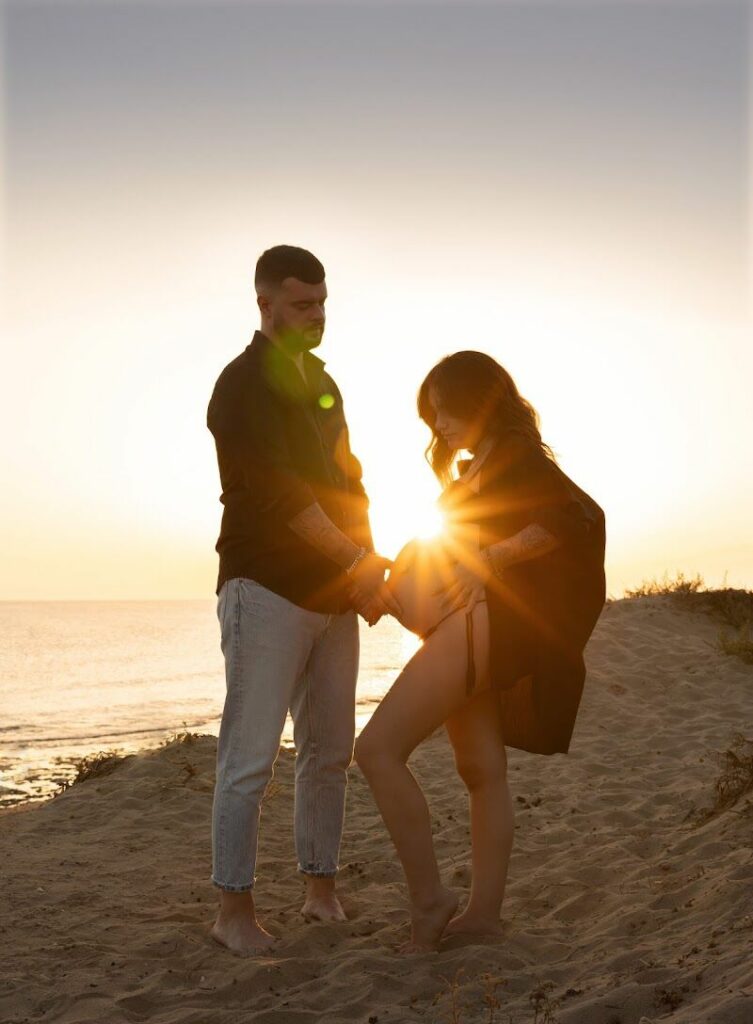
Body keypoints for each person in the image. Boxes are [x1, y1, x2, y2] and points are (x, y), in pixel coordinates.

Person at [355, 350, 606, 952]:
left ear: (483, 401)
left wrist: (491, 561)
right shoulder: (479, 465)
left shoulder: (518, 458)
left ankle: (430, 901)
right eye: (432, 416)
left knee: (377, 749)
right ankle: (484, 916)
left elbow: (573, 520)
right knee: (480, 771)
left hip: (478, 624)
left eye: (446, 410)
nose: (438, 425)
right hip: (464, 624)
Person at [207, 245, 399, 955]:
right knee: (250, 758)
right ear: (264, 305)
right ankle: (232, 911)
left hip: (333, 596)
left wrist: (365, 572)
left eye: (321, 304)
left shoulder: (322, 381)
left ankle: (320, 891)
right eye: (300, 305)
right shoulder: (240, 385)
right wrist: (358, 561)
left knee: (328, 752)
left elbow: (349, 484)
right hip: (264, 591)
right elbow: (285, 500)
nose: (315, 317)